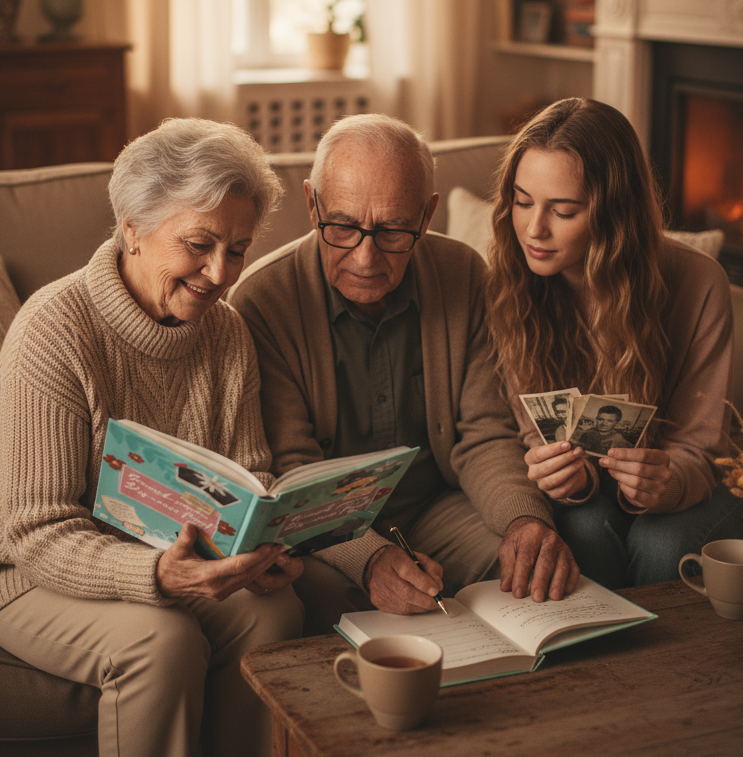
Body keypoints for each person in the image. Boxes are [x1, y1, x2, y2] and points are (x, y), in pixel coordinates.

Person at [0, 119, 304, 757]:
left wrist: (260, 548)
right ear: (133, 230)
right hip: (18, 569)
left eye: (238, 248)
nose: (220, 272)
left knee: (273, 613)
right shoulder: (53, 332)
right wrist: (158, 580)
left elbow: (243, 473)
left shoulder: (228, 336)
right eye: (200, 243)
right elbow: (38, 528)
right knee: (162, 642)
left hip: (166, 560)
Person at [230, 114, 577, 632]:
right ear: (312, 204)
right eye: (343, 227)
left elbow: (483, 433)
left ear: (427, 213)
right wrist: (369, 557)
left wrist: (524, 519)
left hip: (436, 506)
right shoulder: (262, 301)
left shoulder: (463, 275)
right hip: (327, 526)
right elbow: (291, 470)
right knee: (323, 595)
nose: (366, 257)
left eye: (393, 230)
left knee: (529, 574)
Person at [485, 97, 743, 588]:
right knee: (579, 528)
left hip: (686, 489)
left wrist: (665, 484)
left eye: (562, 211)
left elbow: (702, 447)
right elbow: (531, 435)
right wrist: (571, 480)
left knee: (659, 542)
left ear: (612, 214)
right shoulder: (510, 287)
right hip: (589, 494)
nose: (533, 229)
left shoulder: (699, 283)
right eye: (522, 202)